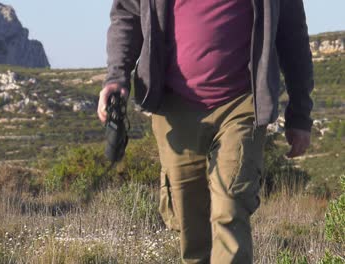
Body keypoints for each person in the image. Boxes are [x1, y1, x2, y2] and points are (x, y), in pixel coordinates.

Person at [97, 0, 314, 263]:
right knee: (190, 223)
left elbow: (293, 35)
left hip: (242, 103)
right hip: (174, 105)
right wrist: (116, 77)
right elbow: (126, 17)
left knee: (231, 206)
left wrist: (300, 115)